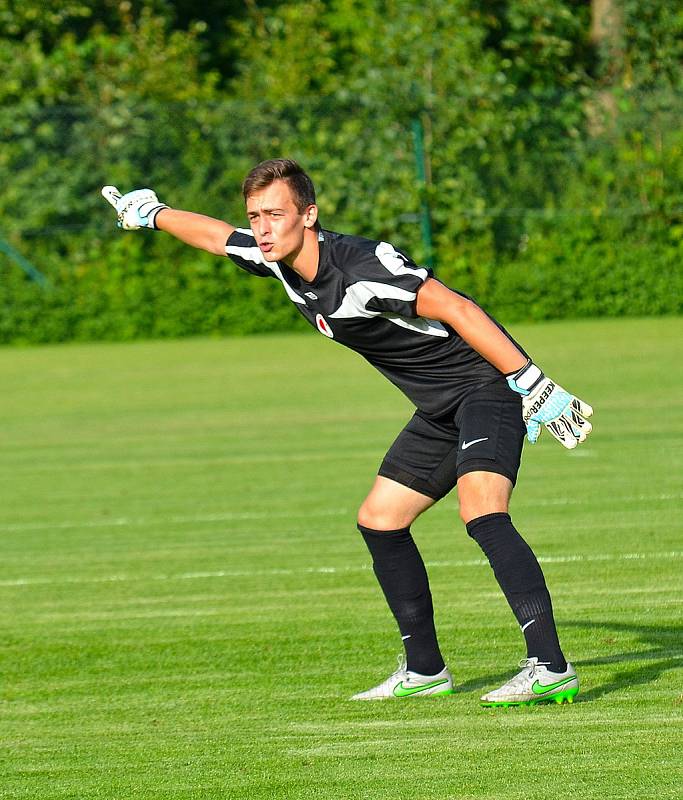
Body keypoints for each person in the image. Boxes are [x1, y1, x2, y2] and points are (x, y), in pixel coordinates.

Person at [102, 158, 593, 706]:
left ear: (308, 215)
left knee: (482, 511)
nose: (262, 228)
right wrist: (152, 213)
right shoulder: (278, 260)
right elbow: (217, 238)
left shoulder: (364, 267)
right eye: (255, 215)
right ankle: (426, 670)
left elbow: (458, 307)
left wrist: (531, 381)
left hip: (485, 389)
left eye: (275, 215)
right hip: (437, 410)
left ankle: (550, 666)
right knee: (380, 520)